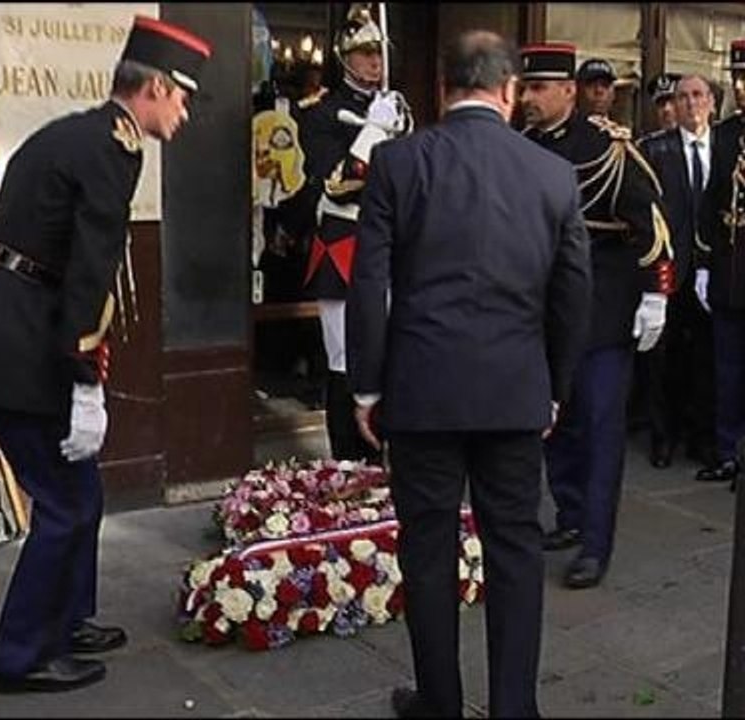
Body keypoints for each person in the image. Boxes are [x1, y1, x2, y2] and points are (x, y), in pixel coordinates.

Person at [0, 15, 211, 693]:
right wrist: (84, 379)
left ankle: (66, 620)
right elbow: (89, 270)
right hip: (17, 346)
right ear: (151, 88)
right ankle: (20, 656)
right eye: (182, 96)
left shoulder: (74, 133)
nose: (186, 111)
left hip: (5, 330)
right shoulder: (112, 149)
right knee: (64, 501)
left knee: (80, 491)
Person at [347, 31, 592, 718]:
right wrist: (555, 386)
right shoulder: (551, 174)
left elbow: (369, 282)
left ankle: (441, 704)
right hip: (515, 391)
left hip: (423, 391)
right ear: (510, 91)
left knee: (427, 550)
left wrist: (367, 386)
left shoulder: (398, 162)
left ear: (445, 88)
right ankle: (515, 707)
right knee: (515, 549)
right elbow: (573, 291)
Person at [519, 43, 675, 589]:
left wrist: (657, 295)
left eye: (540, 89)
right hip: (543, 314)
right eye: (525, 88)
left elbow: (652, 228)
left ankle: (595, 543)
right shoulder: (521, 147)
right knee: (554, 424)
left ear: (568, 90)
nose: (529, 99)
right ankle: (568, 515)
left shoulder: (608, 148)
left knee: (602, 429)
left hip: (604, 311)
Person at [293, 4, 412, 463]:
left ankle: (387, 460)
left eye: (379, 53)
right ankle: (347, 466)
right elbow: (335, 182)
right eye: (365, 54)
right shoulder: (321, 113)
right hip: (346, 245)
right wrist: (371, 133)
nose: (374, 62)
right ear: (345, 57)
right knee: (347, 362)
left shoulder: (396, 106)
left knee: (393, 355)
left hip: (392, 246)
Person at [637, 74, 717, 470]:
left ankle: (701, 436)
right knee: (663, 360)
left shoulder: (725, 147)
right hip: (669, 267)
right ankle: (662, 437)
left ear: (711, 103)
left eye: (697, 96)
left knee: (706, 357)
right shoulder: (655, 149)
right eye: (682, 97)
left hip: (711, 271)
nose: (689, 103)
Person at [696, 38, 745, 489]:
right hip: (731, 274)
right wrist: (706, 264)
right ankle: (728, 451)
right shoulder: (726, 133)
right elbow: (712, 205)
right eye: (737, 78)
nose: (742, 86)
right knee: (726, 371)